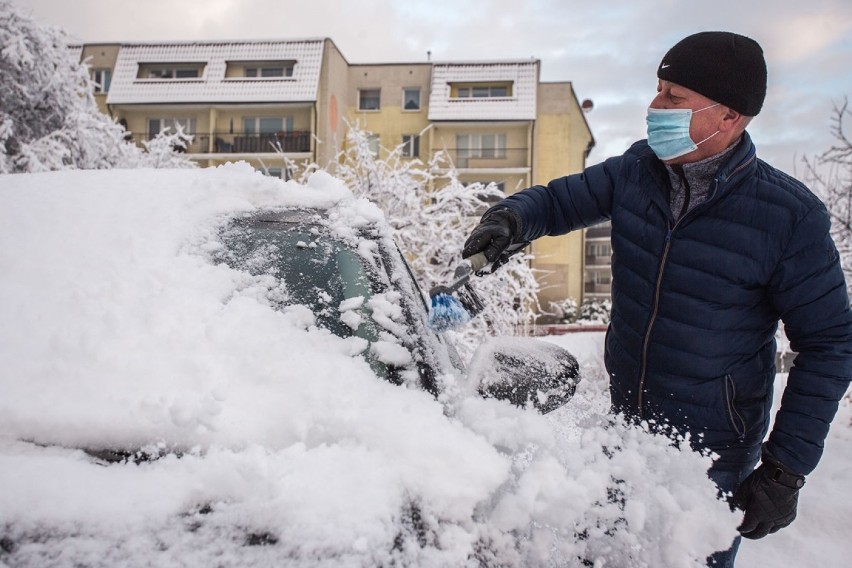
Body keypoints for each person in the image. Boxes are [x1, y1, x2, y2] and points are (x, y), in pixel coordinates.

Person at [462, 31, 852, 566]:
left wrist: (786, 469)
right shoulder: (636, 171)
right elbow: (558, 202)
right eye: (658, 89)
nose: (654, 107)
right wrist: (513, 218)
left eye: (674, 97)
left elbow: (830, 345)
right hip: (626, 428)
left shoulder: (788, 217)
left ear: (729, 118)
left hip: (711, 453)